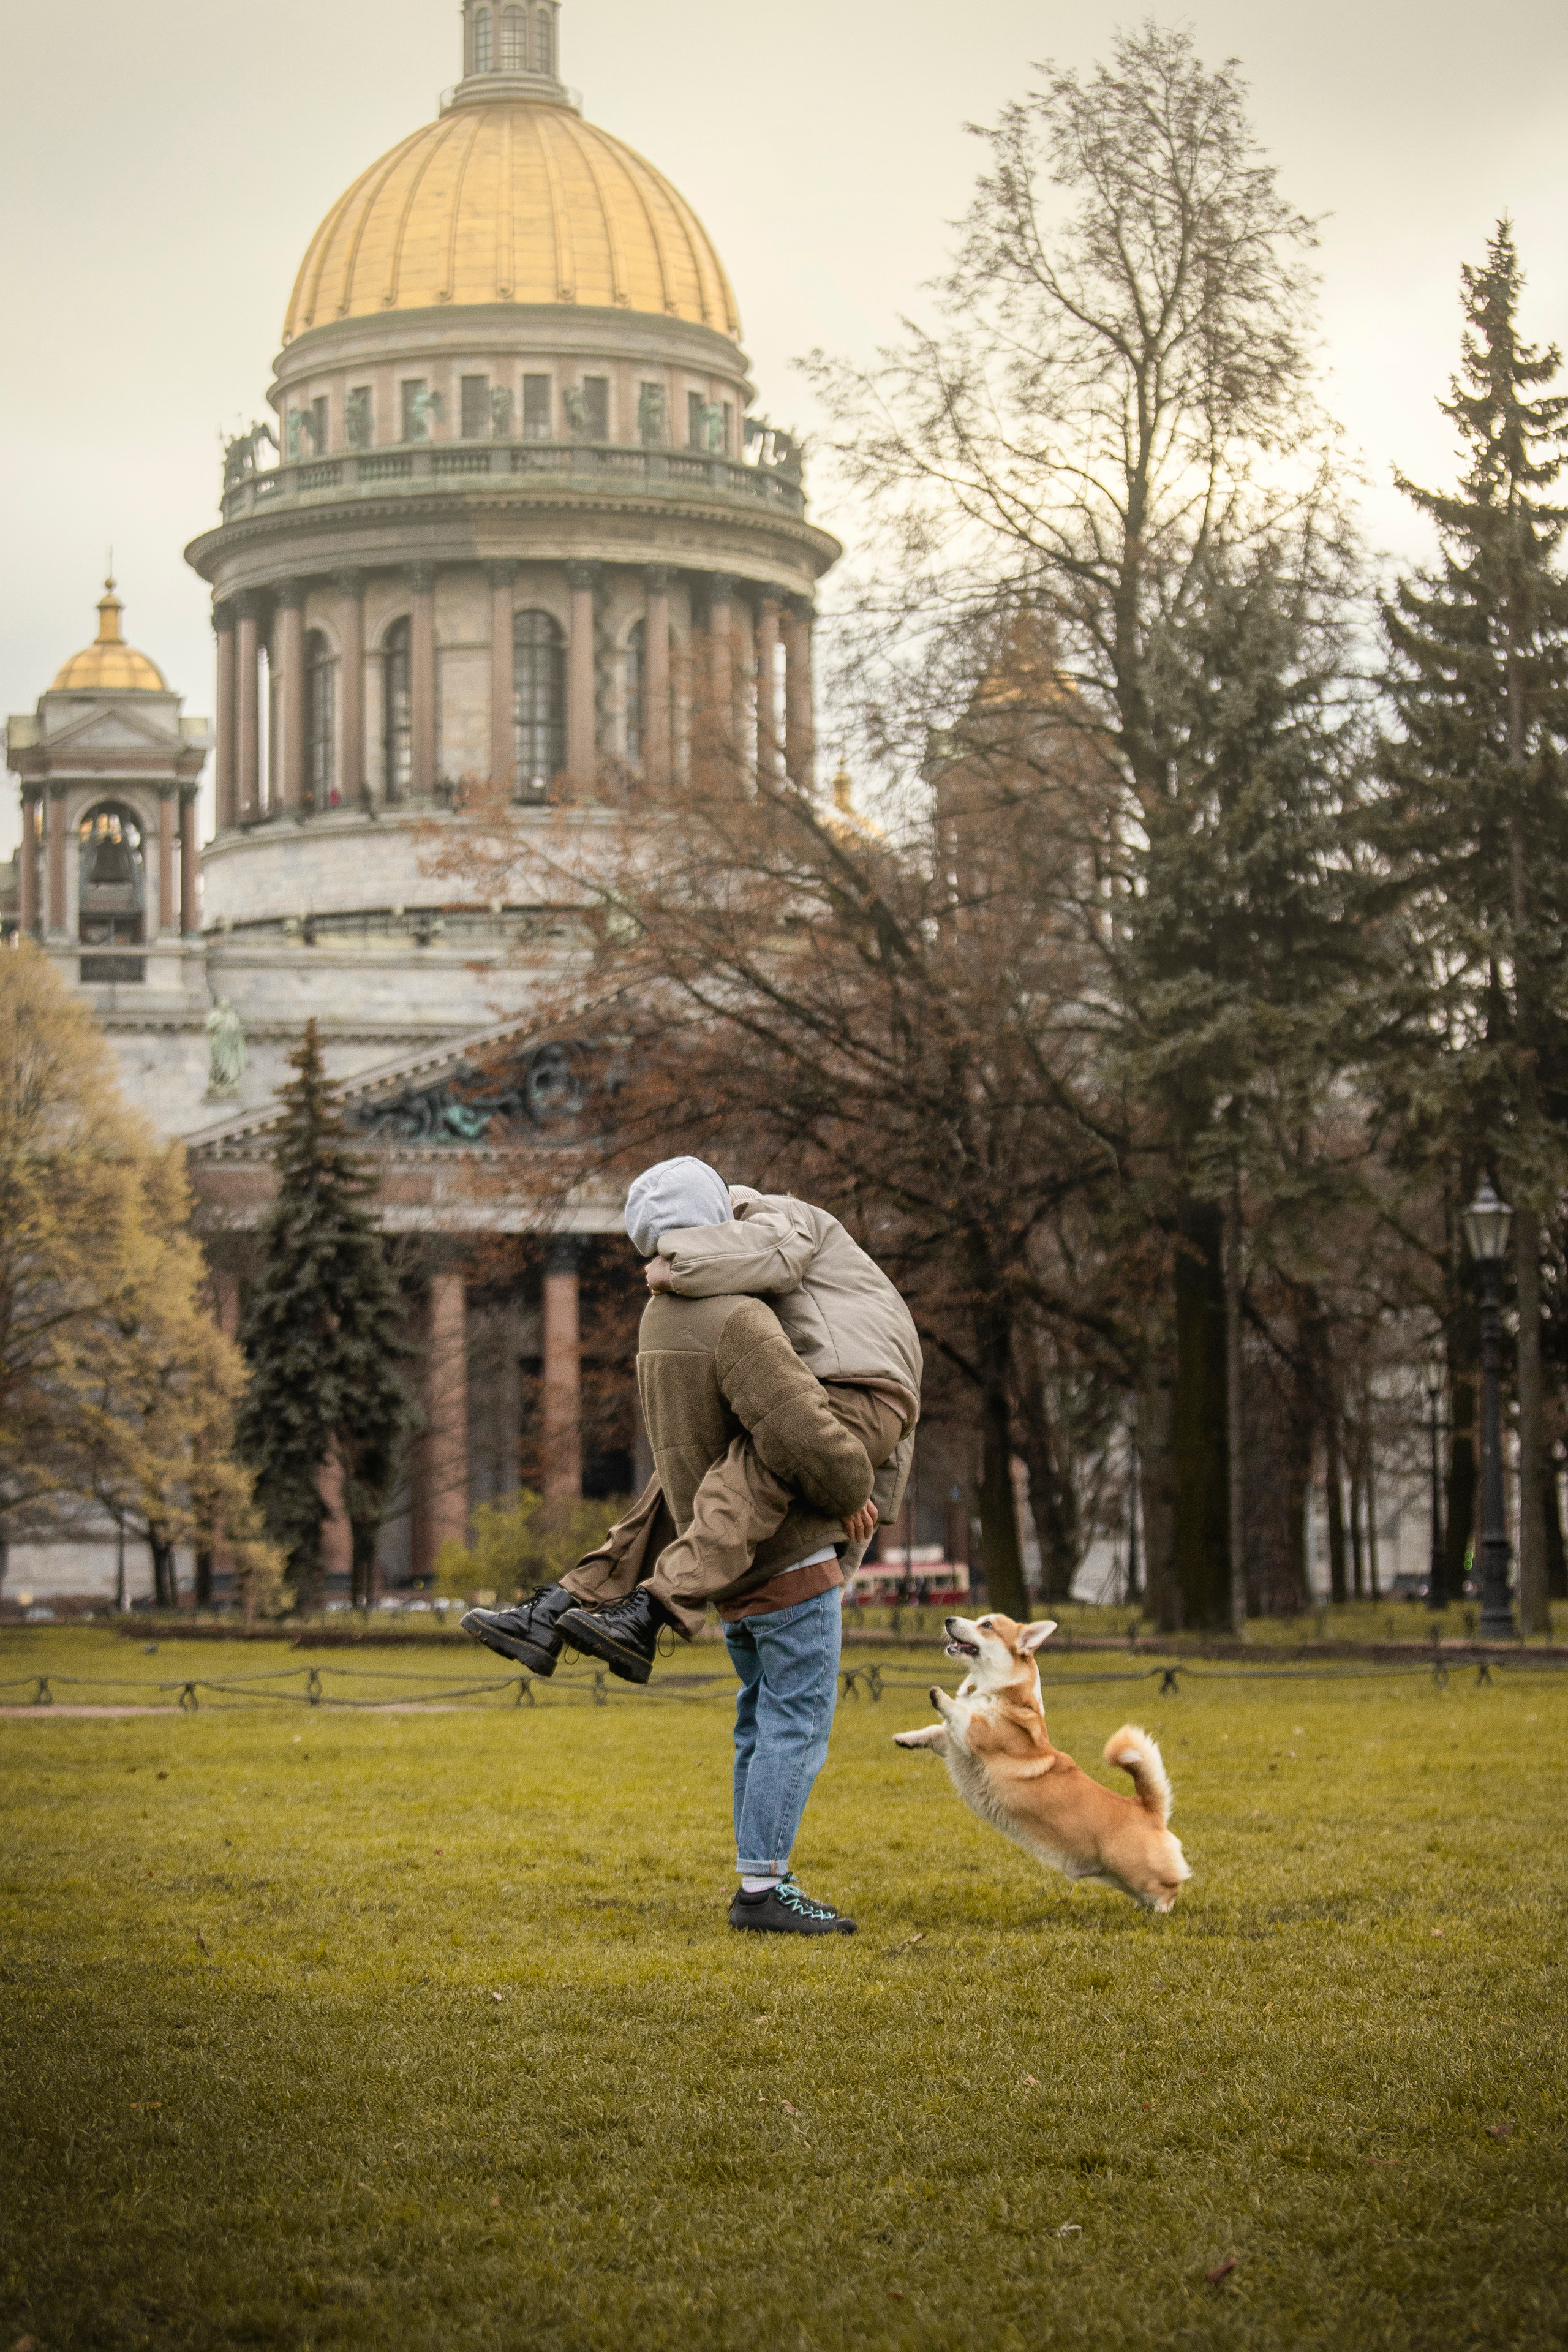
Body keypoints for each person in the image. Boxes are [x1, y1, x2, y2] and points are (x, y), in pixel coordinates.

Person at [466, 1160, 922, 1682]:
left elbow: (776, 1257)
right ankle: (558, 1608)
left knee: (740, 1483)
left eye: (679, 1242)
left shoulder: (779, 1216)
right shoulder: (730, 1273)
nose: (667, 1257)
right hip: (813, 1397)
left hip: (862, 1391)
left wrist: (671, 1269)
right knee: (683, 1480)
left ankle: (656, 1607)